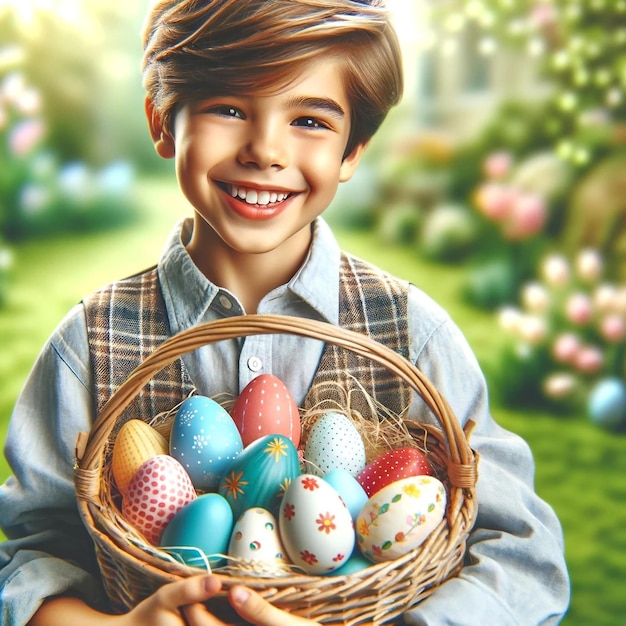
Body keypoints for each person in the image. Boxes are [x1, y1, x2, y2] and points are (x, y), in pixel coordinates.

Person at [0, 0, 570, 624]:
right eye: (229, 108)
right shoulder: (90, 344)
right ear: (162, 121)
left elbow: (524, 555)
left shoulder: (413, 336)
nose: (265, 150)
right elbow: (30, 551)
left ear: (353, 150)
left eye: (310, 120)